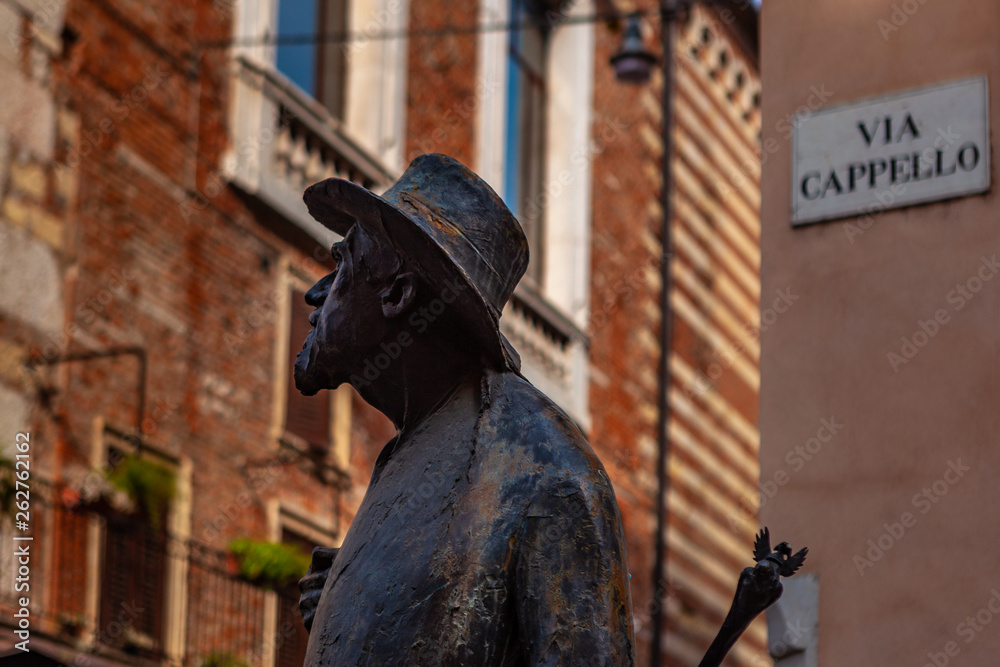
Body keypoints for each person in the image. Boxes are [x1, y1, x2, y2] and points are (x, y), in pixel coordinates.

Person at [294, 153, 635, 665]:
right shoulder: (409, 450)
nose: (315, 292)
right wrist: (361, 602)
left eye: (343, 263)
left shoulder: (545, 471)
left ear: (398, 293)